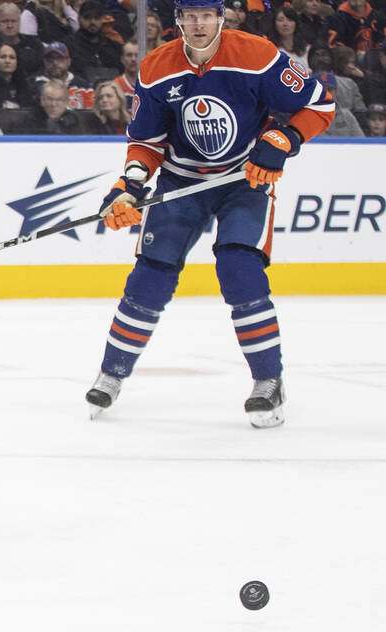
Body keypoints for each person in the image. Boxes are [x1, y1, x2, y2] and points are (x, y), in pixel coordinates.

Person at [86, 0, 333, 429]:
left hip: (244, 181)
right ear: (177, 20)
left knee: (240, 271)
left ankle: (268, 381)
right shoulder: (156, 67)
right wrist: (128, 186)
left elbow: (320, 105)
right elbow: (147, 142)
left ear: (222, 17)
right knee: (150, 276)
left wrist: (284, 138)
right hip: (182, 182)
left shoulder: (258, 56)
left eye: (207, 16)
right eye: (190, 16)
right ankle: (111, 373)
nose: (199, 25)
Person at [65, 0, 123, 80]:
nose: (92, 22)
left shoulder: (114, 47)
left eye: (97, 18)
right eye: (87, 17)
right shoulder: (68, 45)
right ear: (79, 18)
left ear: (103, 19)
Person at [0, 2, 45, 75]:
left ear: (20, 22)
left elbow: (42, 69)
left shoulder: (34, 43)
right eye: (5, 21)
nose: (10, 25)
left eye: (13, 21)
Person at [29, 41, 94, 109]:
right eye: (50, 59)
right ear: (45, 62)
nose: (55, 63)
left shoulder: (82, 85)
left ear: (68, 61)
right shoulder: (34, 85)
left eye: (60, 58)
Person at [11, 77, 85, 131]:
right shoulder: (29, 121)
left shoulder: (73, 121)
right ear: (42, 100)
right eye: (49, 99)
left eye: (59, 99)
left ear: (66, 102)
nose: (53, 104)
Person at [0, 41, 36, 109]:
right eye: (3, 57)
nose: (7, 61)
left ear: (17, 62)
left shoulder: (24, 85)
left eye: (12, 57)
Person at [266, 6, 310, 73]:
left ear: (296, 23)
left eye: (290, 20)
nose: (285, 24)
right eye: (280, 20)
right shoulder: (270, 50)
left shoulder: (308, 49)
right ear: (274, 24)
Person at [113, 39, 138, 109]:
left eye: (137, 55)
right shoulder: (115, 86)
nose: (133, 59)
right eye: (129, 55)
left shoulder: (150, 85)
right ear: (122, 59)